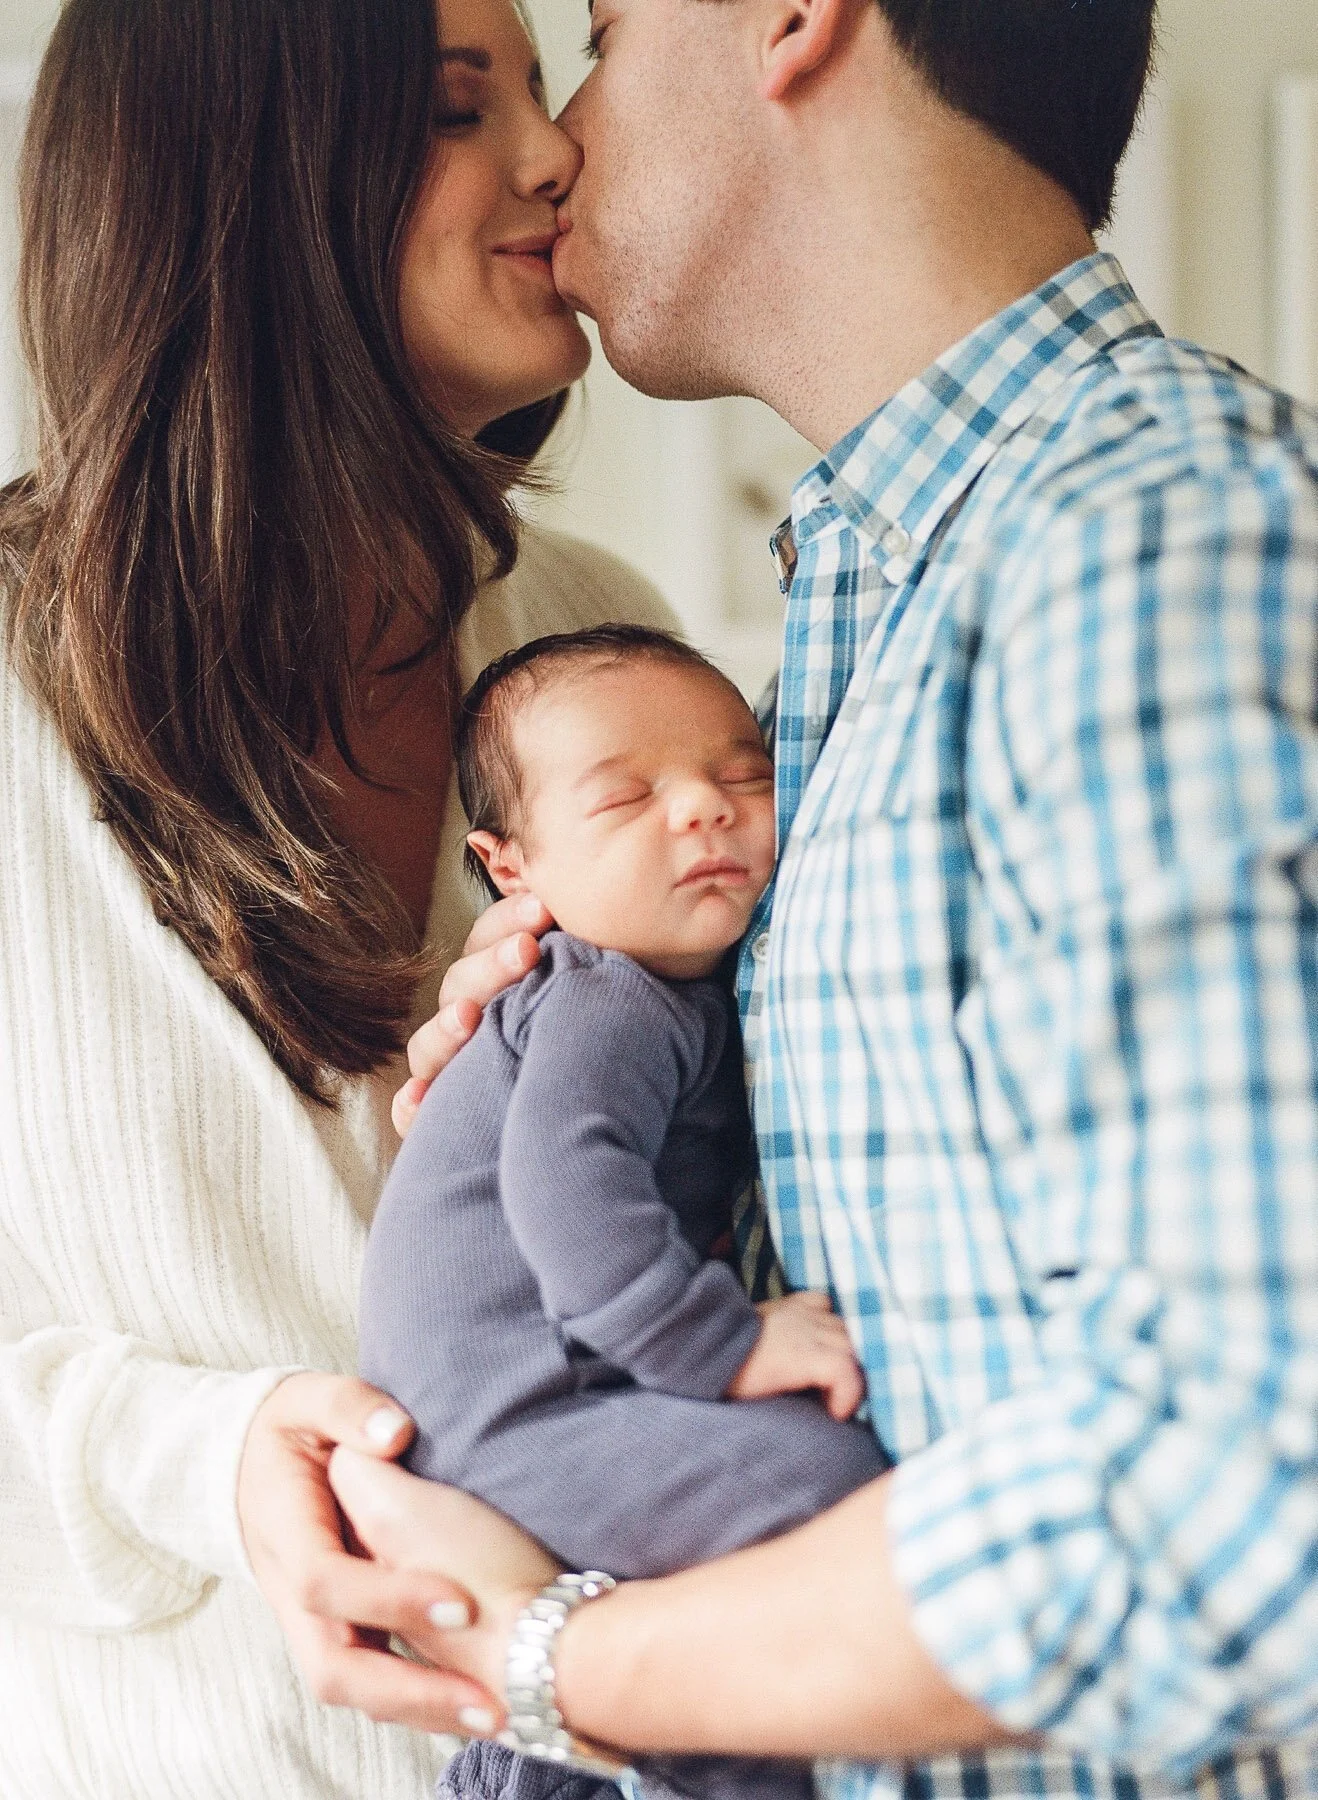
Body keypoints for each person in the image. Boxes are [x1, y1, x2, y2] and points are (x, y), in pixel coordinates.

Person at [325, 1, 1318, 1797]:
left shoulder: (1141, 549)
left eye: (608, 39)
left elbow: (1243, 1482)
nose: (562, 145)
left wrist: (558, 1658)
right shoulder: (858, 605)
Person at [0, 0, 679, 1793]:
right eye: (462, 109)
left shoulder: (604, 644)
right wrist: (203, 1459)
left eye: (541, 89)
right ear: (235, 180)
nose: (555, 156)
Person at [359, 625, 888, 1800]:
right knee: (824, 1495)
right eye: (626, 798)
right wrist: (726, 1346)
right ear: (513, 871)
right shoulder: (610, 1003)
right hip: (515, 1411)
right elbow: (567, 1192)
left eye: (743, 776)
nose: (702, 809)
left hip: (530, 1393)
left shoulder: (656, 987)